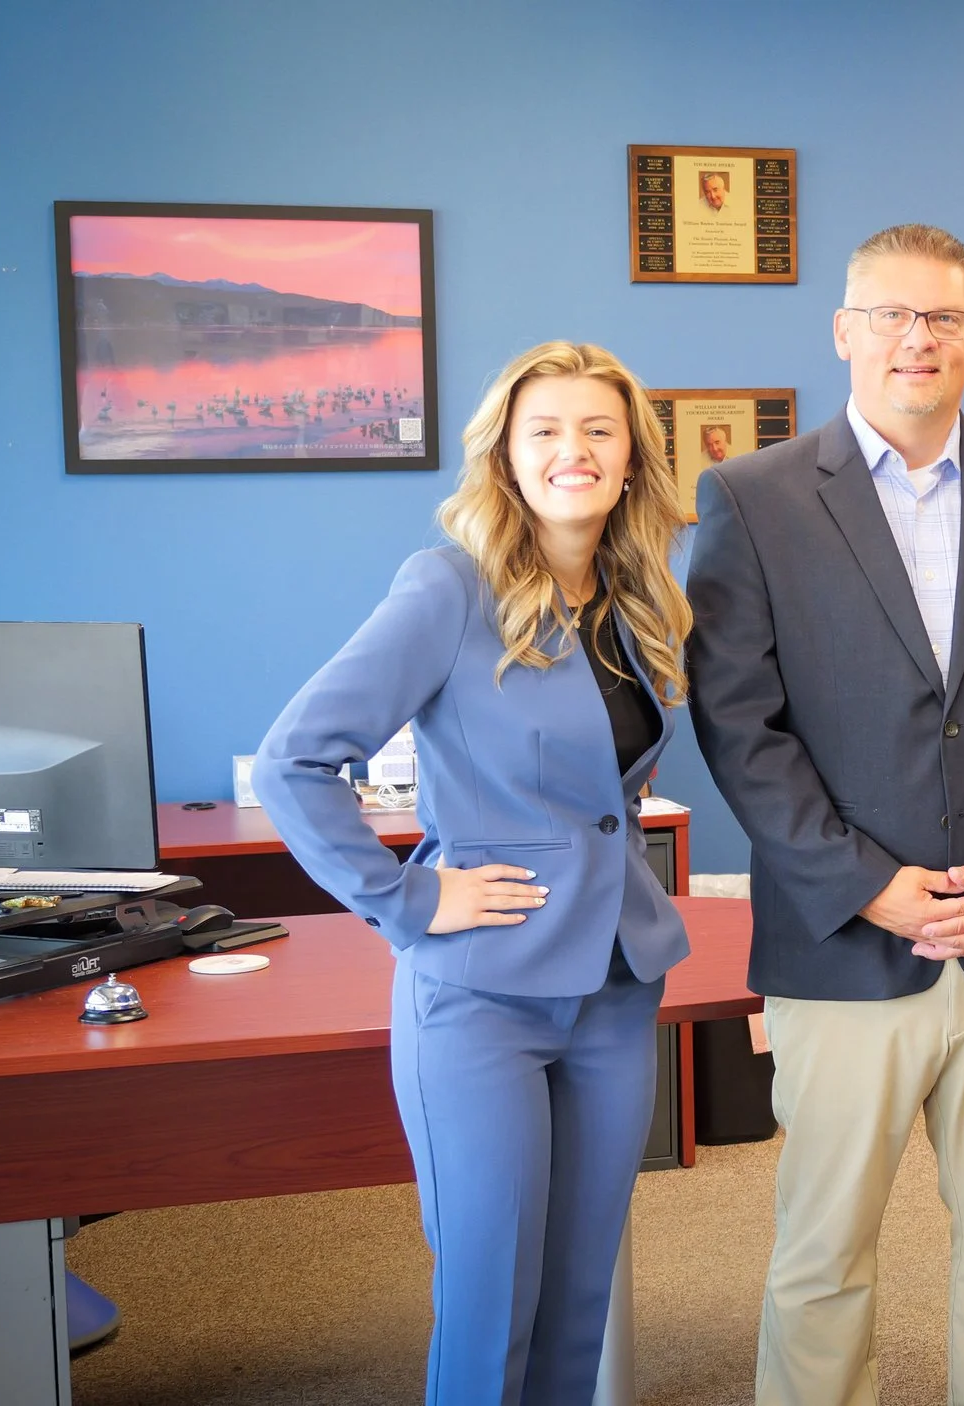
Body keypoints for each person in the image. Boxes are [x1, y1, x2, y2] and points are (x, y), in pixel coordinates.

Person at [685, 223, 964, 1406]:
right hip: (842, 945)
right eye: (889, 314)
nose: (915, 339)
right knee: (823, 1256)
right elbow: (740, 723)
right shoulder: (750, 497)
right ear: (844, 331)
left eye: (940, 317)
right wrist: (865, 880)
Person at [253, 341, 696, 1405]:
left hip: (613, 988)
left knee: (577, 1298)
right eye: (544, 430)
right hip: (481, 996)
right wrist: (409, 898)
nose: (572, 450)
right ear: (504, 455)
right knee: (491, 1298)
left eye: (597, 428)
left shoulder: (636, 600)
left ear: (631, 457)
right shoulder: (449, 586)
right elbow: (293, 761)